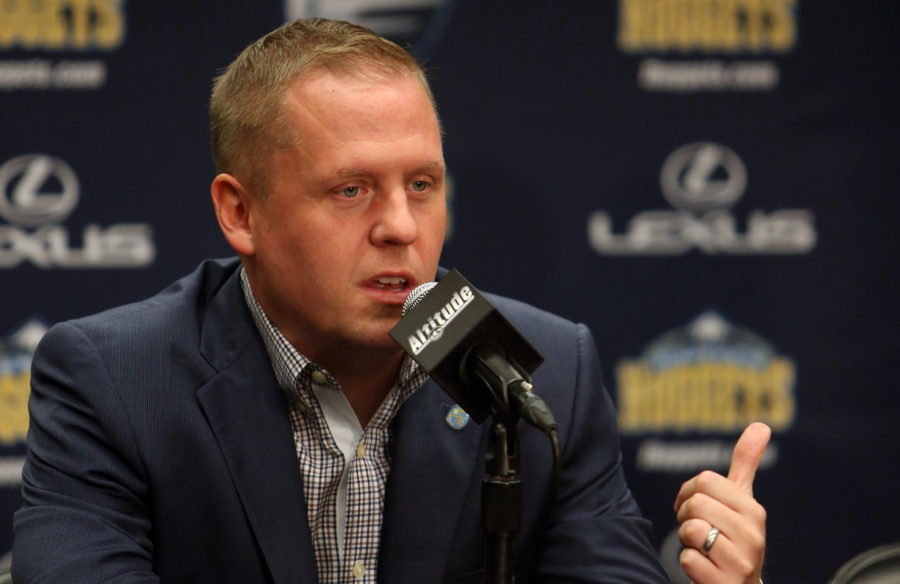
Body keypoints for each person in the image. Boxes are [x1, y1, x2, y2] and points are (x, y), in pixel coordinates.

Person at [12, 18, 767, 584]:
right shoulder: (112, 383)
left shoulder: (542, 376)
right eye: (351, 190)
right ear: (240, 213)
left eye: (422, 185)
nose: (401, 228)